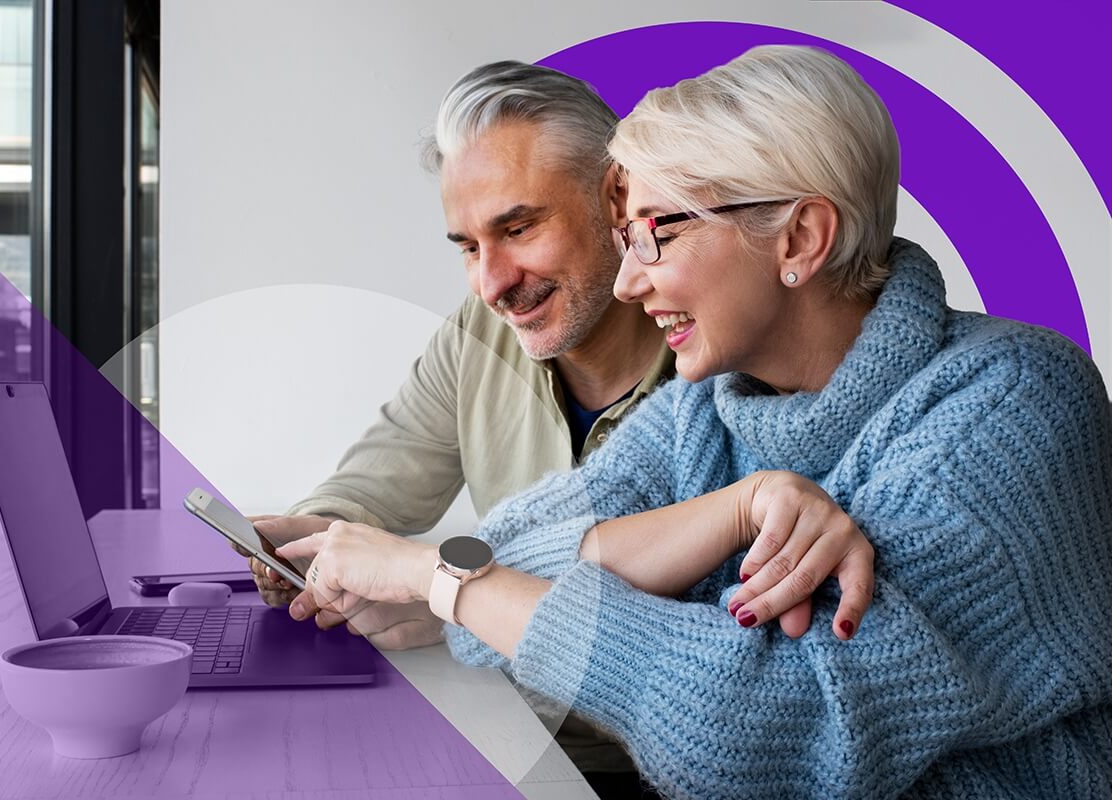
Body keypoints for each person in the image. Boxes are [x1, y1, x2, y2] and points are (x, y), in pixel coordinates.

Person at [274, 45, 1112, 799]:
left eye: (657, 235)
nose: (632, 284)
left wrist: (443, 582)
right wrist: (738, 507)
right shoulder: (706, 409)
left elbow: (754, 736)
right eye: (626, 236)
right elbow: (513, 542)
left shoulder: (1011, 405)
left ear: (800, 238)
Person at [239, 60, 875, 799]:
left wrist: (436, 584)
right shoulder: (481, 337)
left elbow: (764, 710)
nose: (491, 283)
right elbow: (425, 507)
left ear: (618, 194)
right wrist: (323, 544)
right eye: (469, 247)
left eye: (518, 227)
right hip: (510, 738)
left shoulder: (728, 361)